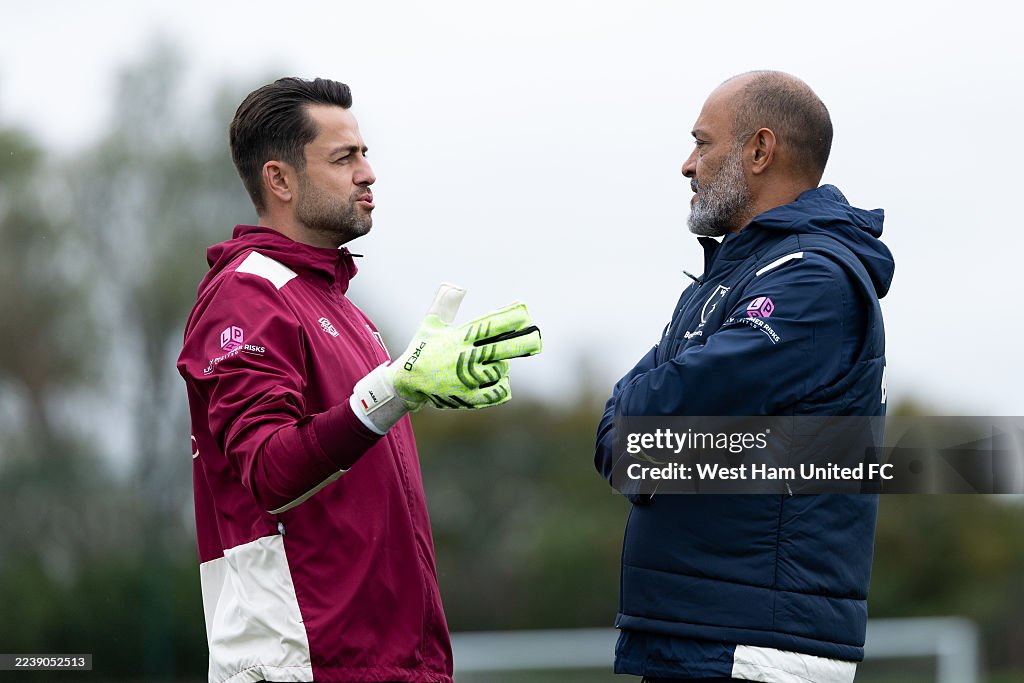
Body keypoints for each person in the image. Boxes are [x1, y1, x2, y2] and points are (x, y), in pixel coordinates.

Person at [177, 77, 541, 683]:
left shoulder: (342, 305)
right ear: (281, 180)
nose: (368, 173)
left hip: (388, 662)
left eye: (365, 153)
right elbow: (269, 472)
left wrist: (412, 391)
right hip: (302, 663)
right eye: (345, 157)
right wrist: (393, 389)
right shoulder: (245, 295)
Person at [594, 71, 895, 682]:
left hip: (755, 651)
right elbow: (626, 439)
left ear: (759, 150)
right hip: (706, 637)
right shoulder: (737, 275)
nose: (686, 165)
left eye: (702, 143)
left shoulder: (812, 281)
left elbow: (645, 424)